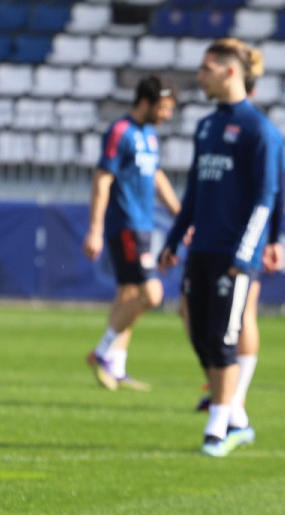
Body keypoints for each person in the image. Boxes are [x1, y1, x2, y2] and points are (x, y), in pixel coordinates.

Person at [158, 38, 283, 458]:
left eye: (207, 68)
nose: (200, 76)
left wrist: (245, 255)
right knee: (200, 336)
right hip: (201, 251)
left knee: (223, 337)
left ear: (230, 72)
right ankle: (237, 419)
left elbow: (267, 198)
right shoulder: (206, 126)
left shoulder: (258, 130)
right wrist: (174, 240)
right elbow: (193, 192)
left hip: (234, 256)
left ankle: (218, 427)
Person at [192, 52, 285, 420]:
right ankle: (225, 392)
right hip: (217, 238)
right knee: (214, 315)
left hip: (245, 239)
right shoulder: (215, 125)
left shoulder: (260, 130)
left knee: (241, 314)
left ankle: (234, 400)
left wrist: (274, 237)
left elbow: (275, 189)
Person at [82, 75, 181, 391]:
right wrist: (95, 230)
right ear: (145, 103)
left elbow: (157, 176)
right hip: (124, 225)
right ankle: (102, 352)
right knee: (152, 294)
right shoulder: (120, 132)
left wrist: (181, 216)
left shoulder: (149, 136)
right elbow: (102, 179)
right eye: (163, 108)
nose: (167, 115)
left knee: (127, 296)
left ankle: (116, 366)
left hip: (142, 225)